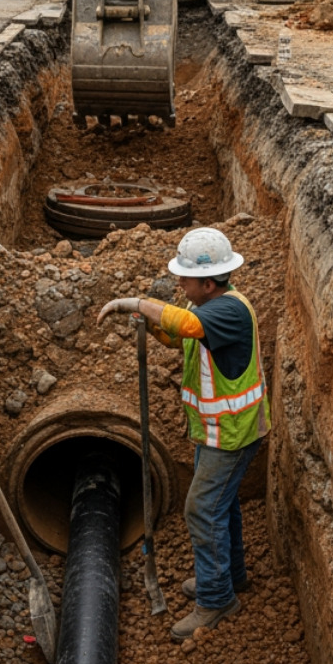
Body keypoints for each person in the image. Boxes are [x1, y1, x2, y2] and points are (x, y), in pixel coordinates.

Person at [98, 227, 269, 641]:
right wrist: (153, 327)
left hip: (231, 435)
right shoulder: (212, 309)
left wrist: (134, 303)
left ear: (209, 282)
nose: (179, 283)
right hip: (215, 432)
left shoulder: (226, 311)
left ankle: (215, 599)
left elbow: (187, 324)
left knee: (202, 510)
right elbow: (183, 336)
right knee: (220, 506)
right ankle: (232, 578)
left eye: (185, 279)